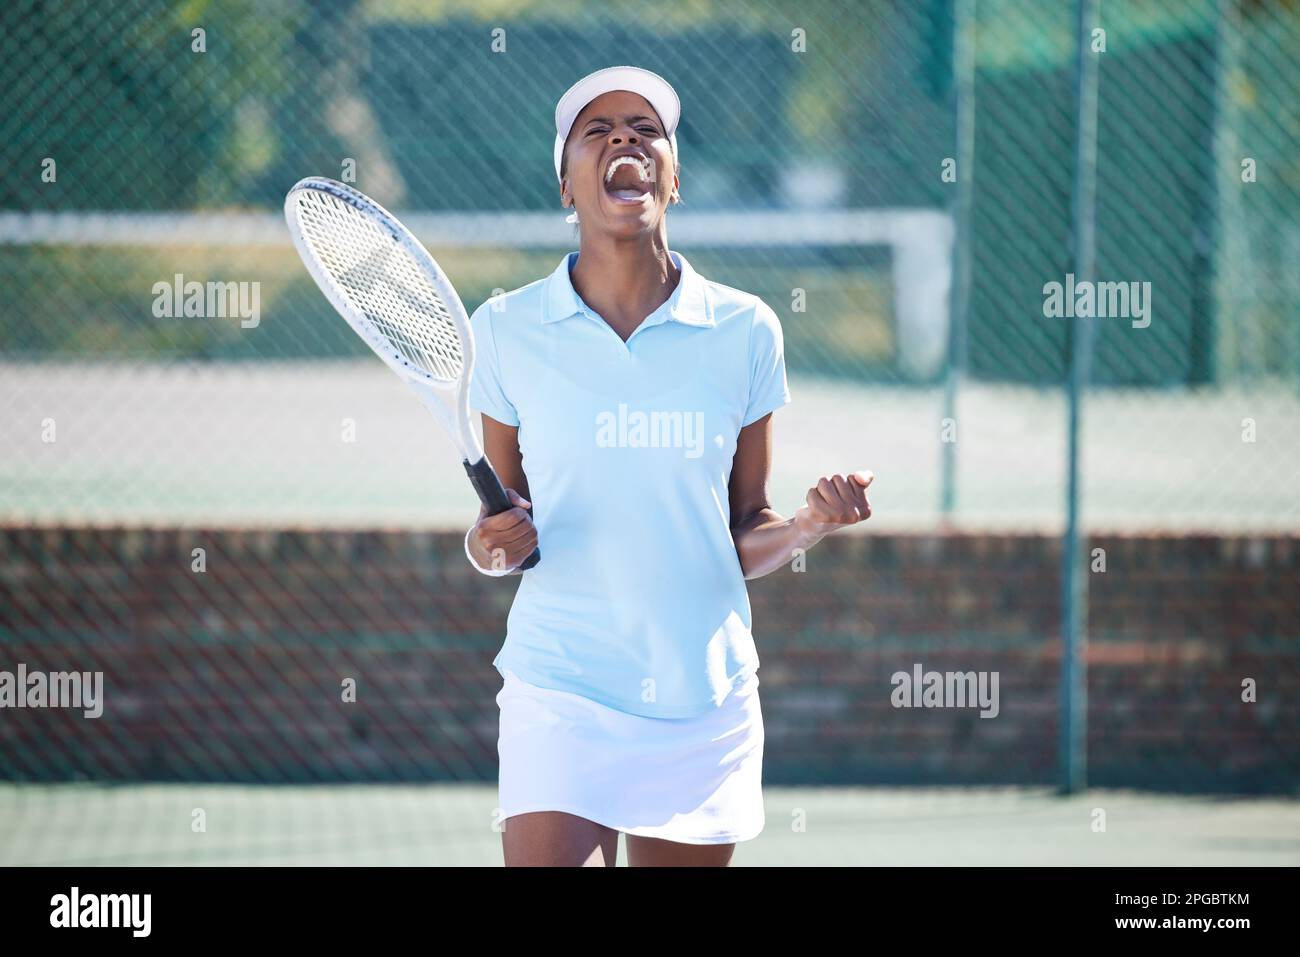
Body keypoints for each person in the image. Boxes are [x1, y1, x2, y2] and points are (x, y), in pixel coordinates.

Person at [464, 65, 874, 866]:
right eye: (598, 130)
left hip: (701, 701)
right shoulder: (506, 330)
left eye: (646, 129)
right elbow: (497, 525)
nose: (625, 138)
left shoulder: (747, 330)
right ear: (566, 185)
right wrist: (492, 545)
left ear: (674, 178)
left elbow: (743, 529)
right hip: (560, 686)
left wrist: (808, 524)